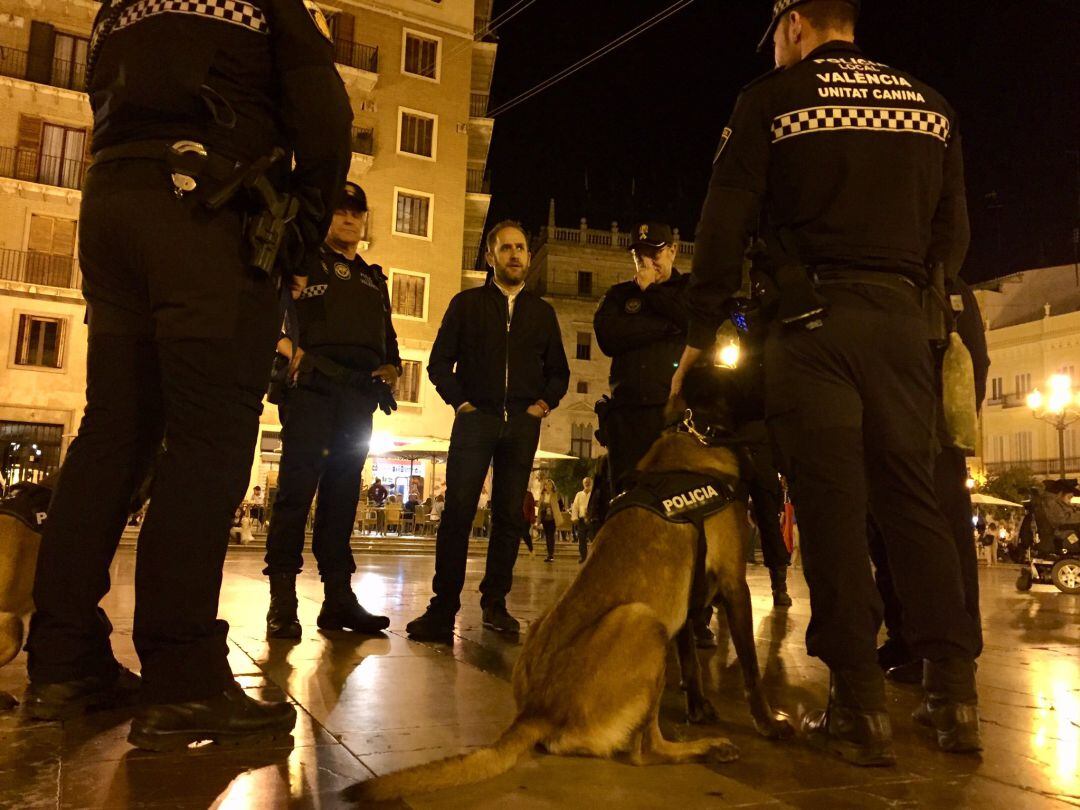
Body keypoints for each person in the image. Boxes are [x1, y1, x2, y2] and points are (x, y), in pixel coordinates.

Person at [22, 0, 352, 750]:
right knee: (208, 440)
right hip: (207, 210)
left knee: (113, 431)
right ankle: (183, 678)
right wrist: (301, 227)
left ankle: (63, 662)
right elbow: (324, 116)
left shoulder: (118, 8)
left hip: (112, 206)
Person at [672, 0, 981, 763]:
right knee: (914, 502)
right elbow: (955, 235)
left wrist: (701, 325)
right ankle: (954, 697)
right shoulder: (930, 107)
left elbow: (723, 218)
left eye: (776, 37)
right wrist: (913, 292)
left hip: (813, 326)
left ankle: (861, 705)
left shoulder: (772, 102)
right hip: (903, 323)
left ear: (795, 24)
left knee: (834, 507)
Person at [406, 221, 570, 640]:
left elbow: (559, 372)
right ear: (489, 256)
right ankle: (443, 607)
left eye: (521, 248)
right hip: (476, 418)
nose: (516, 255)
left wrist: (540, 406)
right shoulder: (467, 305)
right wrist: (461, 403)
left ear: (528, 257)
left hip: (521, 423)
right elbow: (439, 362)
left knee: (509, 515)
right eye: (506, 248)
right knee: (459, 512)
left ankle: (495, 603)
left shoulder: (542, 313)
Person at [262, 182, 398, 640]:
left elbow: (389, 338)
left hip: (358, 398)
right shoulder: (302, 262)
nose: (348, 220)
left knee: (342, 498)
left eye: (356, 214)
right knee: (297, 491)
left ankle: (338, 597)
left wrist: (393, 368)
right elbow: (266, 312)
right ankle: (282, 599)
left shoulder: (374, 279)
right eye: (340, 212)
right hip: (312, 390)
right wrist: (290, 351)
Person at [871, 278, 989, 683]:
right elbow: (977, 363)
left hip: (917, 439)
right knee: (918, 544)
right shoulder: (948, 288)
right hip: (939, 438)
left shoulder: (930, 286)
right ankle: (934, 647)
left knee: (914, 543)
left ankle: (941, 652)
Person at [594, 222, 691, 492]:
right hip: (627, 414)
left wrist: (651, 292)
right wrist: (665, 327)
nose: (647, 263)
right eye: (640, 256)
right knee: (626, 494)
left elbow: (689, 320)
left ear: (673, 251)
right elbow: (608, 338)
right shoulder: (619, 294)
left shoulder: (687, 288)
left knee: (672, 491)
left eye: (654, 254)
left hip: (673, 412)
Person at [570, 477, 595, 563]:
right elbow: (575, 507)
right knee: (581, 539)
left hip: (591, 520)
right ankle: (583, 557)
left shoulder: (593, 494)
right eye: (585, 482)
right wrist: (574, 518)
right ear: (583, 483)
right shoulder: (579, 494)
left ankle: (594, 556)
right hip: (581, 520)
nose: (587, 484)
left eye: (588, 482)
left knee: (593, 538)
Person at [537, 479, 563, 563]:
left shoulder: (556, 495)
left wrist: (554, 510)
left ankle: (550, 555)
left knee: (550, 536)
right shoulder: (542, 495)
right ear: (544, 486)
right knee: (547, 536)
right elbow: (539, 506)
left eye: (550, 485)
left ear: (552, 486)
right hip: (545, 518)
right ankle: (549, 554)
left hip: (553, 518)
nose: (548, 486)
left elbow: (561, 505)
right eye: (546, 485)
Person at [521, 487, 537, 553]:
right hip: (516, 518)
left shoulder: (528, 495)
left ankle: (531, 548)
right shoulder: (515, 494)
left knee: (525, 534)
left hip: (525, 519)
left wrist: (532, 519)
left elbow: (532, 508)